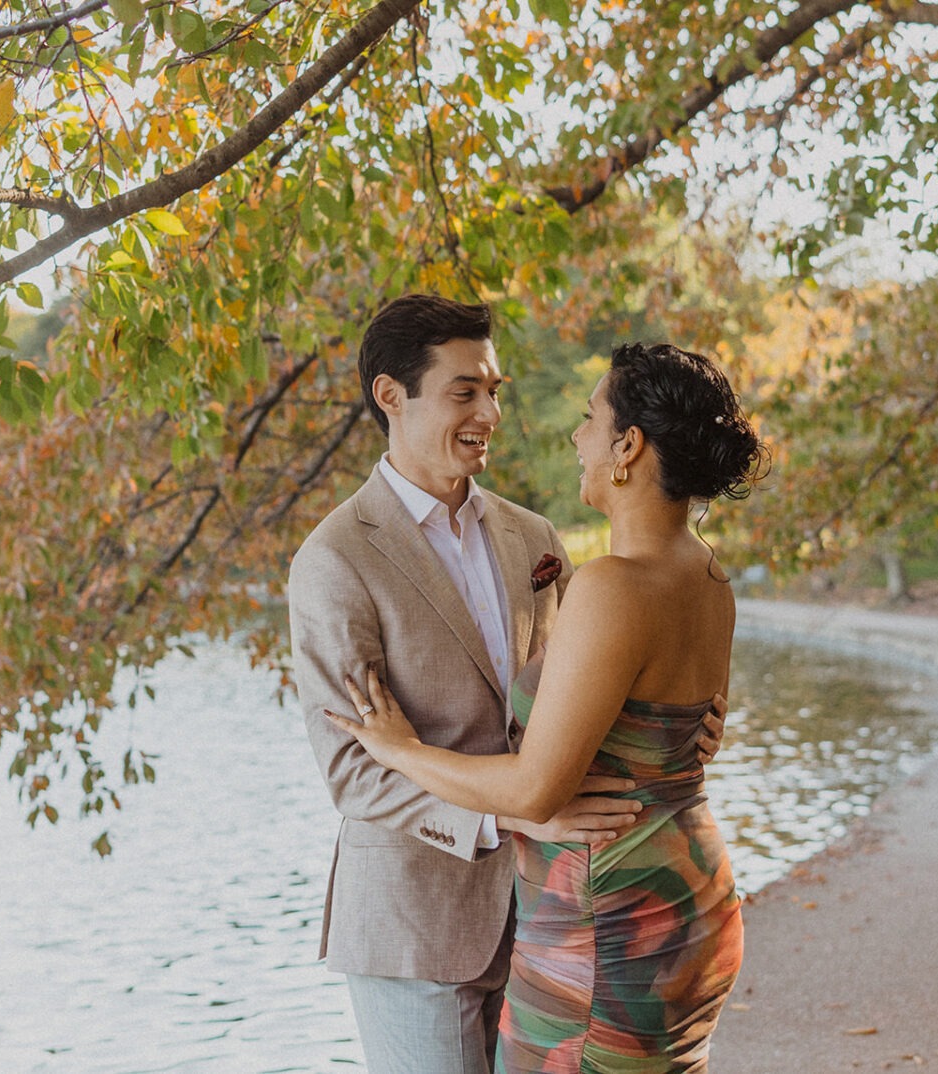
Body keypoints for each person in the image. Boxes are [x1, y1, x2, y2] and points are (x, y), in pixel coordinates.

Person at [287, 297, 725, 1074]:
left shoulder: (533, 537)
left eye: (495, 389)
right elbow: (353, 771)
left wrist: (669, 722)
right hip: (421, 927)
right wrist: (517, 821)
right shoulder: (334, 562)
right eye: (465, 392)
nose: (490, 411)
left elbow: (571, 698)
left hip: (555, 912)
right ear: (392, 396)